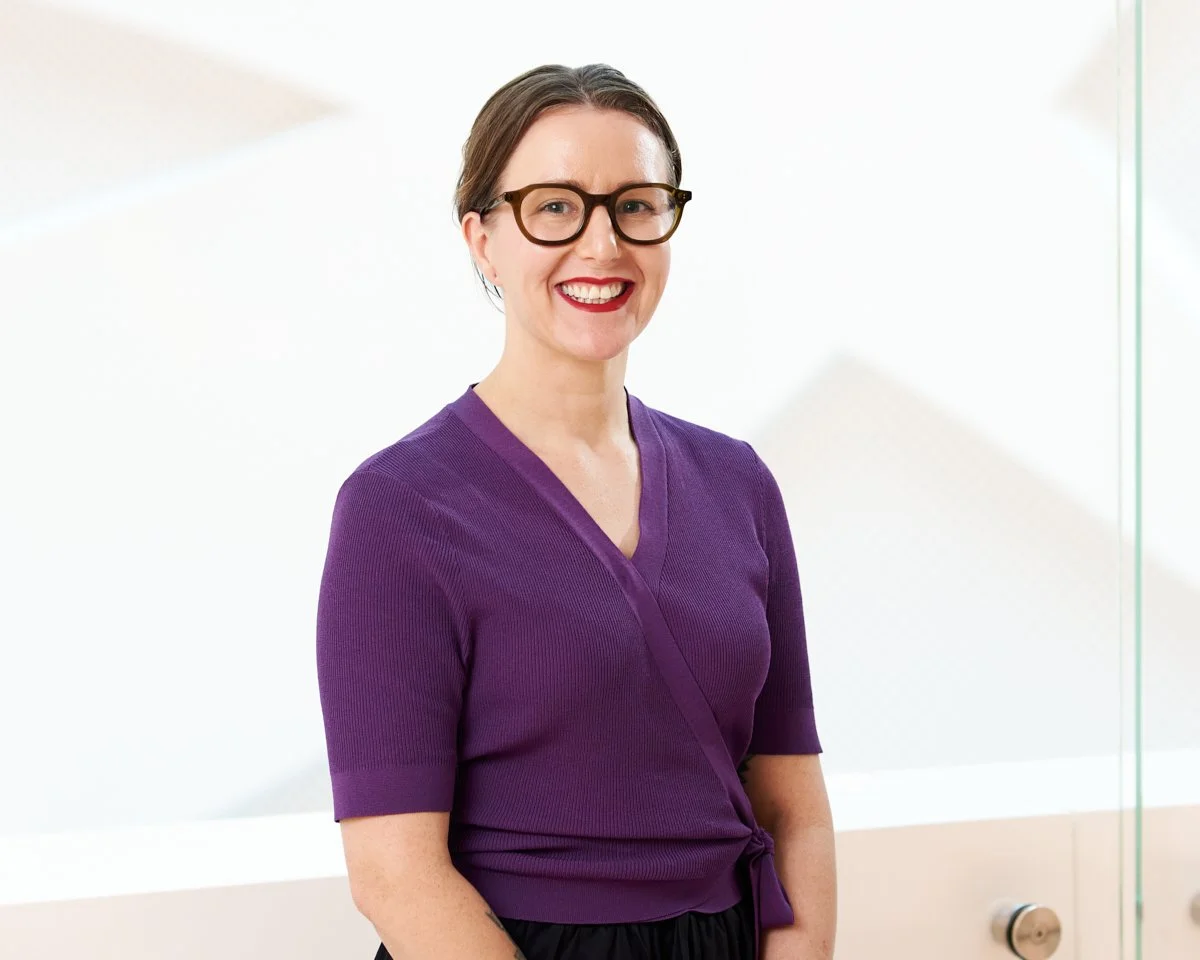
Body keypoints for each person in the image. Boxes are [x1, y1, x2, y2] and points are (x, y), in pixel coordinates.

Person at [315, 63, 836, 960]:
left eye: (636, 205)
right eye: (554, 207)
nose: (602, 246)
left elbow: (795, 808)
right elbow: (394, 872)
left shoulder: (737, 484)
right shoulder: (398, 509)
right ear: (482, 239)